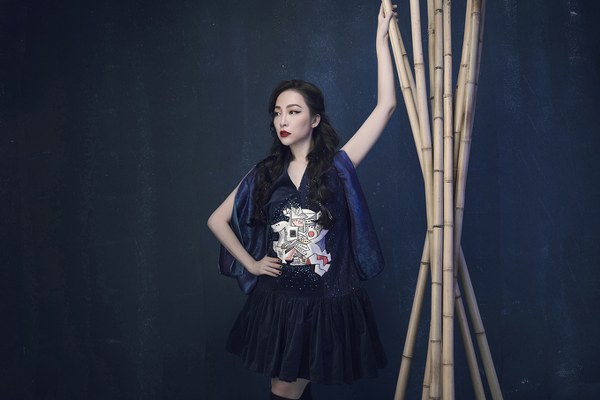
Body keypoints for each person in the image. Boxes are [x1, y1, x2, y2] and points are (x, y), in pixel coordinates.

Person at [208, 5, 397, 399]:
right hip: (279, 302)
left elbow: (386, 107)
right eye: (278, 113)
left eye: (293, 112)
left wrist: (381, 42)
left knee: (285, 388)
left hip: (327, 301)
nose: (283, 120)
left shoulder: (339, 166)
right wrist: (252, 264)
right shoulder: (265, 173)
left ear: (314, 120)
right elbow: (217, 220)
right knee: (287, 386)